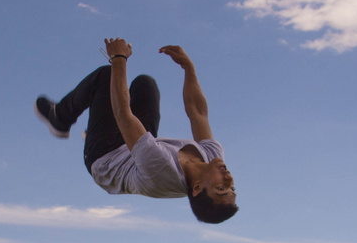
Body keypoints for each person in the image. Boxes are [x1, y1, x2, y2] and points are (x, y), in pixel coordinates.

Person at [35, 39, 237, 223]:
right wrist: (189, 67)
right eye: (232, 188)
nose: (229, 179)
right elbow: (198, 112)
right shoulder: (213, 157)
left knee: (106, 76)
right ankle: (102, 127)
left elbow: (123, 114)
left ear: (197, 187)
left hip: (105, 158)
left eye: (221, 188)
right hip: (136, 147)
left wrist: (118, 57)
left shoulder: (162, 169)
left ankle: (60, 118)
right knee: (144, 84)